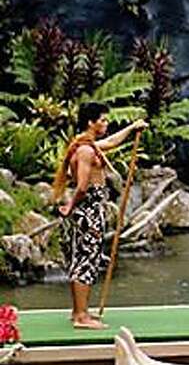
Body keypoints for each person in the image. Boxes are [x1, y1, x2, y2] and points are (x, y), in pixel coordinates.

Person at [52, 103, 147, 329]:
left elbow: (112, 142)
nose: (106, 124)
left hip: (90, 209)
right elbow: (83, 185)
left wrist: (133, 128)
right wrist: (70, 207)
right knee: (86, 259)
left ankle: (79, 311)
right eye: (102, 120)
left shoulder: (87, 145)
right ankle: (81, 316)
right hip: (88, 210)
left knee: (86, 258)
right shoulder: (85, 150)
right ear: (90, 122)